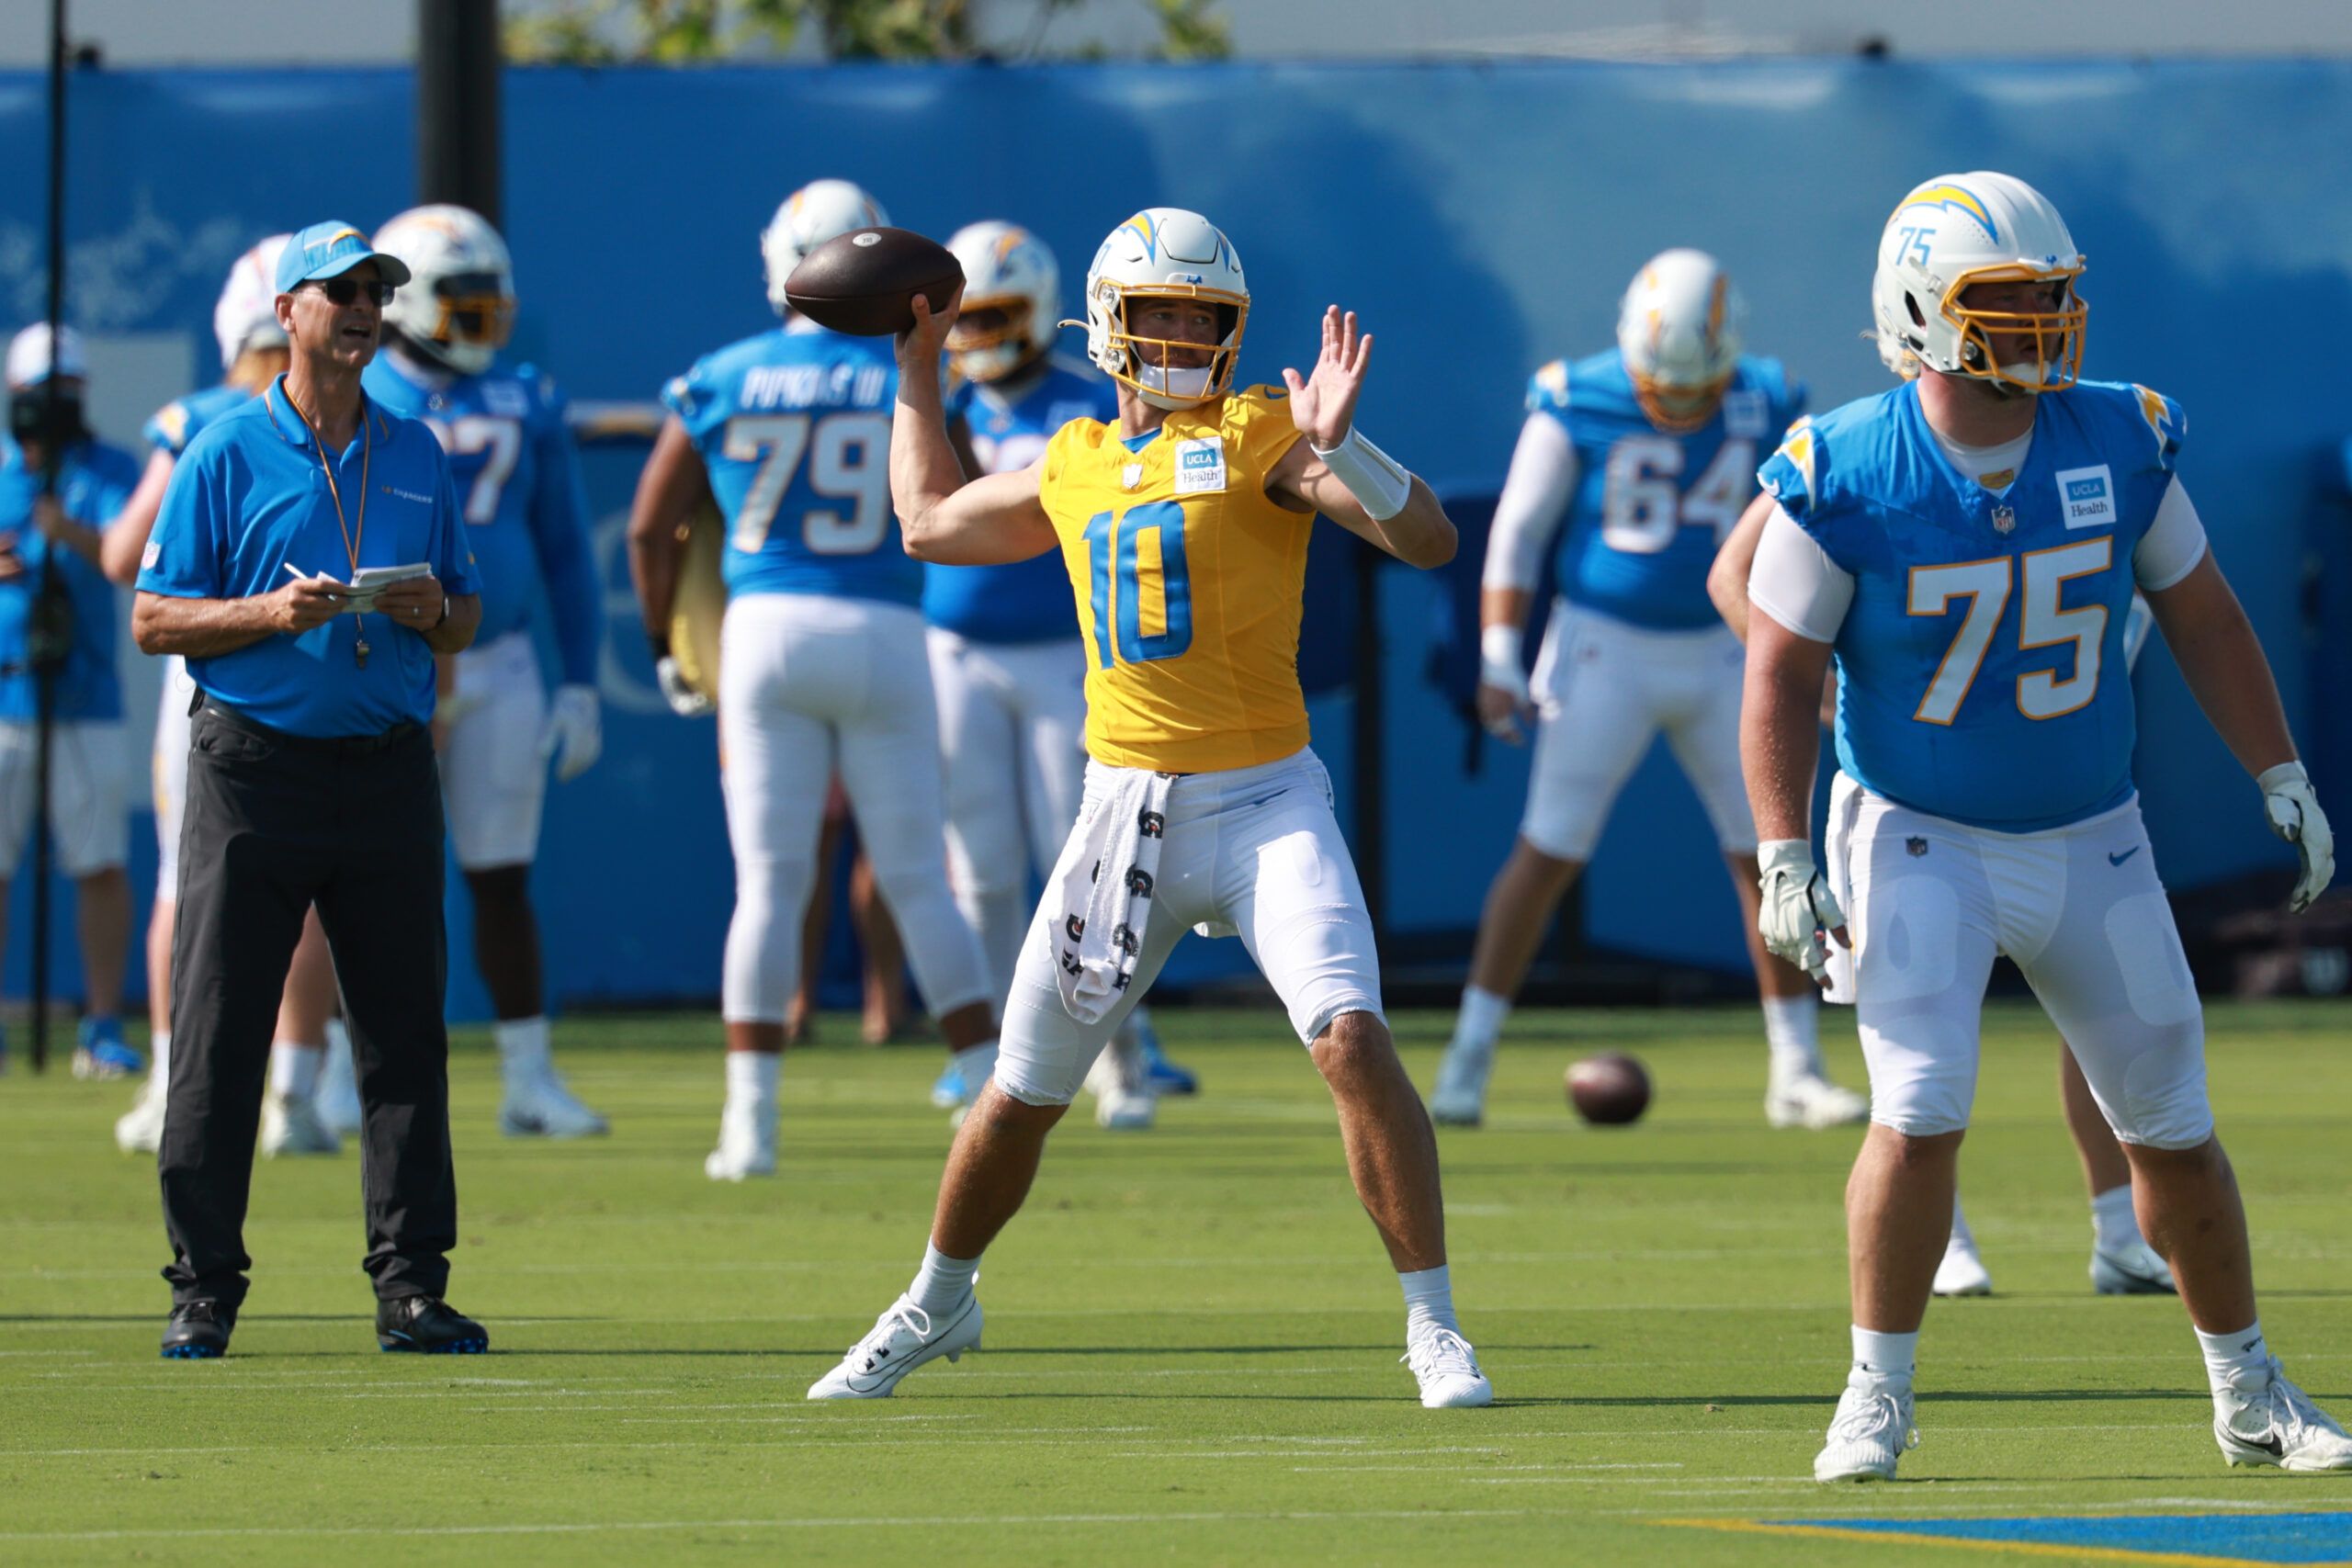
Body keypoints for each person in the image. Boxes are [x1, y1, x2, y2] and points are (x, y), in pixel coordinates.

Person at [808, 207, 1490, 1409]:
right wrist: (918, 378)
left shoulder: (1262, 430)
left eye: (1203, 319)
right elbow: (925, 524)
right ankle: (936, 1297)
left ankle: (1433, 1325)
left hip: (1269, 799)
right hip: (1122, 815)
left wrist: (1354, 446)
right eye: (1161, 314)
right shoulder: (1073, 458)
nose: (1182, 336)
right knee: (1019, 1095)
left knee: (1352, 1036)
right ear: (1109, 325)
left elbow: (1429, 540)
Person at [1741, 172, 2349, 1480]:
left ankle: (2248, 1390)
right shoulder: (1846, 465)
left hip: (2095, 831)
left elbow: (2204, 613)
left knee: (2172, 1119)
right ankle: (1874, 1393)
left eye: (2051, 297)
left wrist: (2281, 769)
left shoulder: (2122, 434)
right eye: (2004, 300)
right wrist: (1785, 844)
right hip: (1918, 833)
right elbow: (1780, 668)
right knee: (1918, 1109)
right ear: (1921, 311)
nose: (2039, 325)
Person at [135, 220, 486, 1359]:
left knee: (401, 1036)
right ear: (286, 312)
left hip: (386, 769)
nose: (363, 308)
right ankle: (203, 1287)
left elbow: (467, 612)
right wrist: (267, 614)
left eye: (376, 291)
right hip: (254, 771)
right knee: (220, 1033)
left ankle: (410, 1287)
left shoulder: (420, 450)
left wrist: (431, 610)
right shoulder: (223, 450)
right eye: (339, 291)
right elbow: (153, 617)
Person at [1426, 252, 1865, 1133]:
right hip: (1604, 647)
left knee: (1767, 855)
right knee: (1548, 850)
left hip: (1725, 647)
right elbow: (1517, 530)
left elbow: (1821, 522)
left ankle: (1796, 1068)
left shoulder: (1771, 396)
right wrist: (1502, 655)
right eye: (1661, 384)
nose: (1678, 403)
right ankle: (1467, 1060)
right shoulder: (1574, 395)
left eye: (1697, 386)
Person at [627, 178, 1000, 1179]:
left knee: (768, 884)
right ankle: (992, 1082)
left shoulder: (722, 373)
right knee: (920, 877)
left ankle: (750, 1123)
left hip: (764, 628)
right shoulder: (906, 375)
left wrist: (669, 641)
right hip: (883, 623)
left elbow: (646, 522)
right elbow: (956, 500)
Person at [1711, 496, 2176, 1298]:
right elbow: (1733, 574)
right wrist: (1822, 683)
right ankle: (1946, 1231)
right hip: (1916, 802)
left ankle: (2119, 1226)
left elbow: (2198, 602)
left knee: (2104, 1011)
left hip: (2062, 775)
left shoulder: (2094, 437)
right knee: (1917, 1028)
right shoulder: (1849, 456)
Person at [363, 203, 607, 1139]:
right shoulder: (366, 394)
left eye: (488, 302)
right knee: (372, 880)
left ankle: (526, 1079)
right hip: (389, 663)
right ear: (413, 301)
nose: (481, 320)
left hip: (501, 657)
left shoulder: (524, 395)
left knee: (501, 876)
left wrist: (580, 677)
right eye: (460, 301)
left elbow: (562, 550)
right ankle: (342, 1075)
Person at [105, 233, 351, 1160]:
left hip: (217, 684)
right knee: (322, 885)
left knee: (189, 883)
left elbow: (128, 559)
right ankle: (295, 1090)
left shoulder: (205, 419)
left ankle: (178, 1081)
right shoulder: (361, 413)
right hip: (336, 677)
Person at [922, 219, 1159, 1130]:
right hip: (958, 652)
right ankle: (993, 1061)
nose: (981, 337)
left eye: (999, 315)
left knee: (1091, 862)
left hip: (1070, 653)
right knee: (979, 871)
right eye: (966, 320)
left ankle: (1121, 1056)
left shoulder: (1090, 403)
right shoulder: (947, 407)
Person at [0, 324, 139, 1078]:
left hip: (84, 698)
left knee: (98, 862)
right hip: (4, 696)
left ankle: (102, 1024)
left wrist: (69, 533)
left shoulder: (108, 467)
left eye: (68, 393)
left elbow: (130, 553)